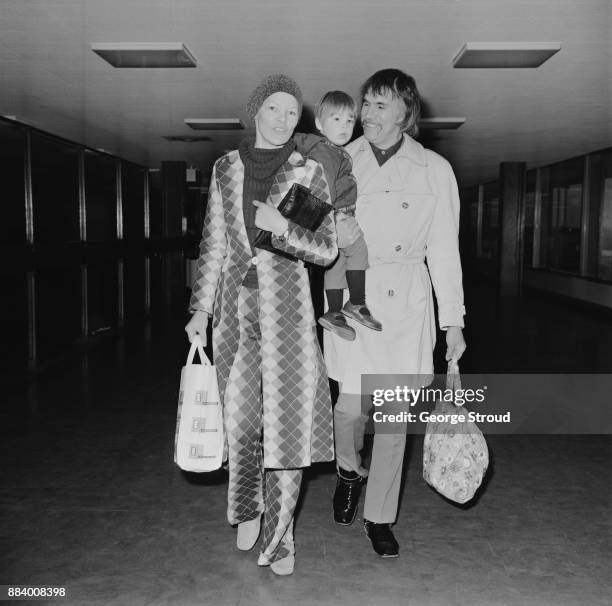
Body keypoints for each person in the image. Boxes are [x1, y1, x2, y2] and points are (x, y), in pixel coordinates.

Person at [185, 74, 338, 576]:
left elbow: (325, 248)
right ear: (256, 111)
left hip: (287, 316)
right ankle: (248, 506)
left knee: (287, 429)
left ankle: (281, 536)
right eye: (274, 108)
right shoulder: (226, 169)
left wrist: (284, 228)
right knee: (242, 421)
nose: (283, 118)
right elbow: (215, 244)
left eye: (292, 112)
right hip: (233, 313)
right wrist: (200, 311)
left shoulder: (305, 173)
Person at [324, 69, 467, 558]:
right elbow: (303, 218)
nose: (366, 113)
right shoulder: (340, 159)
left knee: (394, 417)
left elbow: (445, 252)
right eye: (364, 103)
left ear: (407, 113)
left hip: (406, 302)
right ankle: (347, 469)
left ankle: (379, 517)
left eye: (380, 105)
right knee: (349, 410)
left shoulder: (434, 169)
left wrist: (454, 323)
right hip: (353, 295)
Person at [295, 91, 382, 341]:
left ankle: (333, 311)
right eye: (336, 120)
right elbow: (328, 188)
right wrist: (331, 222)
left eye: (349, 120)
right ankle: (356, 302)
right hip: (337, 215)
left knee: (336, 263)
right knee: (359, 251)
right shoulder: (329, 153)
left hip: (331, 216)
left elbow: (298, 142)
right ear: (320, 124)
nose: (344, 127)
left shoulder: (328, 149)